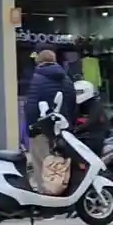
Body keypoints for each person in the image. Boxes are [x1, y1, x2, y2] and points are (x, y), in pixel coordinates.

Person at [24, 49, 76, 192]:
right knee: (59, 163)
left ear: (39, 62)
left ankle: (45, 197)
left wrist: (29, 128)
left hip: (41, 128)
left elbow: (32, 106)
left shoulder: (37, 79)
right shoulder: (67, 79)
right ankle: (60, 191)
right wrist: (70, 124)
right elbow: (73, 103)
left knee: (41, 163)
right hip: (61, 130)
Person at [73, 80, 108, 157]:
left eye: (78, 92)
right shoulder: (78, 105)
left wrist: (76, 128)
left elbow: (91, 121)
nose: (75, 94)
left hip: (96, 137)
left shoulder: (94, 104)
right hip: (83, 137)